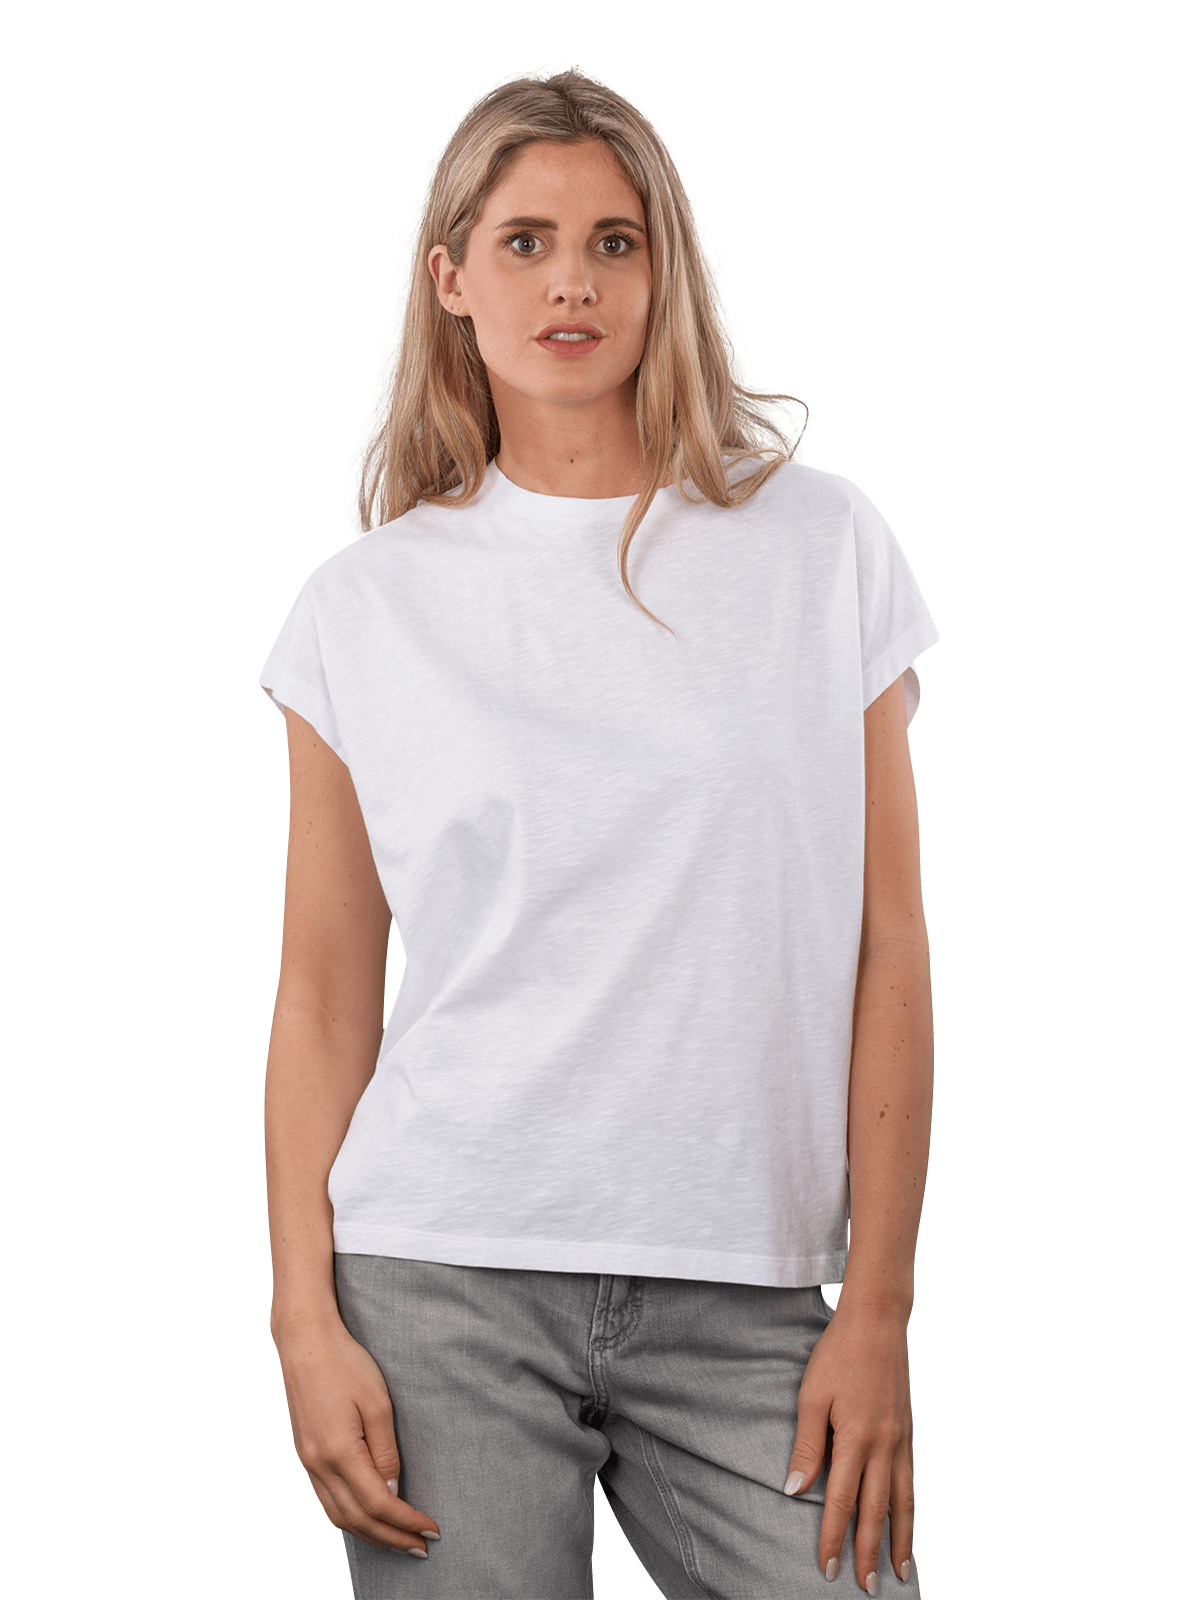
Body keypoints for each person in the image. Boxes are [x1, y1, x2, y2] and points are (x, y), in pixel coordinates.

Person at [262, 63, 937, 1600]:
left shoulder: (821, 544)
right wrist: (304, 1319)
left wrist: (878, 1312)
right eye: (527, 242)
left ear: (665, 271)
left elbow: (888, 951)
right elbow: (324, 994)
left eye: (614, 242)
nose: (572, 281)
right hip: (442, 1280)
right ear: (450, 279)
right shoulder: (363, 609)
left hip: (754, 1291)